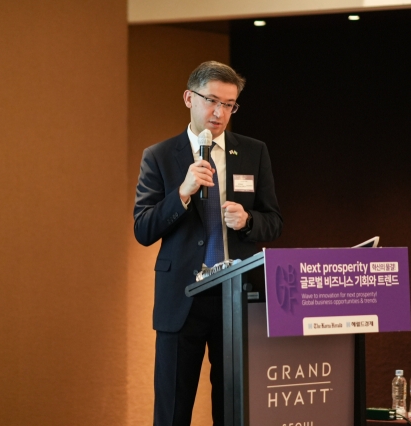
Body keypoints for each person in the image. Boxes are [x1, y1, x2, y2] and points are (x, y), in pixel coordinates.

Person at [133, 61, 283, 426]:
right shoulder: (159, 156)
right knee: (172, 410)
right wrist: (182, 194)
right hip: (182, 297)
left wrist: (248, 221)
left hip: (236, 297)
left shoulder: (253, 152)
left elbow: (274, 222)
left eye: (229, 105)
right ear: (189, 98)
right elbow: (143, 229)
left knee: (234, 409)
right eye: (212, 101)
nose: (219, 113)